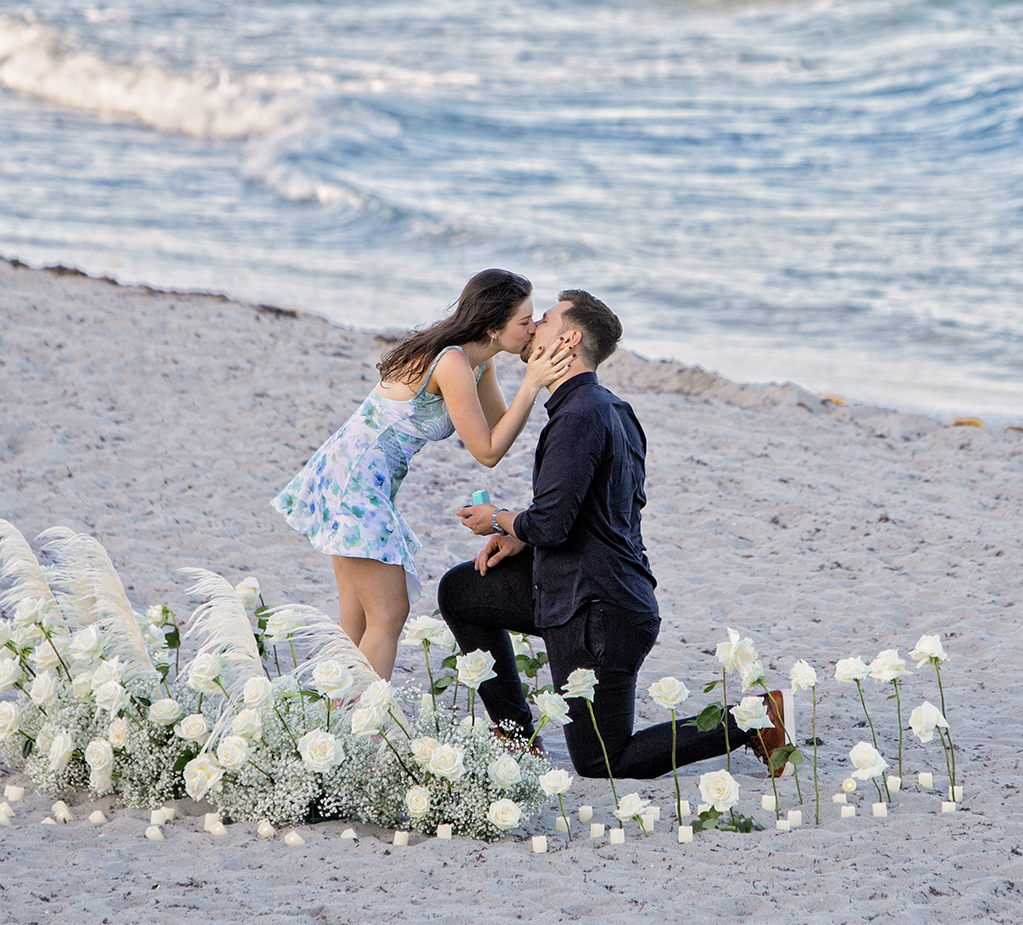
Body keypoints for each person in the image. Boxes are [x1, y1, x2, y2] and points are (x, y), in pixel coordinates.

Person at [438, 289, 784, 779]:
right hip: (573, 589)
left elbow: (554, 523)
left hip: (600, 613)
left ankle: (751, 721)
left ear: (570, 339)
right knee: (462, 591)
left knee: (604, 759)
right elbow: (603, 511)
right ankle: (516, 735)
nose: (533, 326)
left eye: (546, 320)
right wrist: (523, 536)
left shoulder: (579, 416)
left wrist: (500, 519)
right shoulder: (610, 408)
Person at [272, 270, 573, 681]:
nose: (534, 328)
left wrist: (533, 384)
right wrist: (532, 385)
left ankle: (334, 716)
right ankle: (366, 726)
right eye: (526, 321)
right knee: (388, 615)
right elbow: (485, 451)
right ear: (492, 327)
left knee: (356, 621)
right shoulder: (451, 361)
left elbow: (500, 430)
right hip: (353, 482)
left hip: (349, 474)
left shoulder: (477, 363)